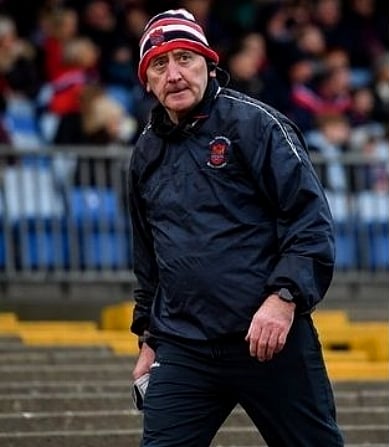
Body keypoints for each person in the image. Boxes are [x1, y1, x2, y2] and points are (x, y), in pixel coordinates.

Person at [128, 9, 343, 446]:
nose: (174, 74)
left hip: (267, 336)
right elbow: (148, 256)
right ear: (146, 81)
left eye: (185, 58)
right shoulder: (145, 153)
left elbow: (309, 222)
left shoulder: (258, 125)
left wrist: (284, 299)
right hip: (183, 343)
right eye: (159, 64)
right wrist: (148, 337)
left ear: (209, 64)